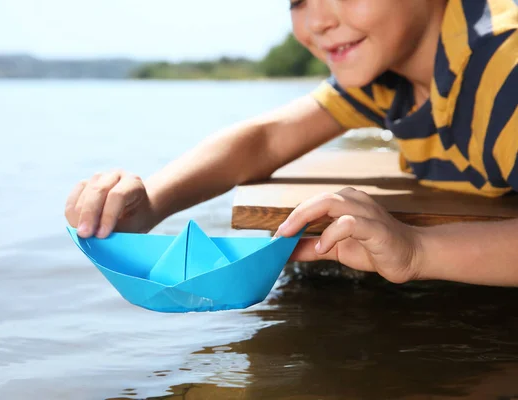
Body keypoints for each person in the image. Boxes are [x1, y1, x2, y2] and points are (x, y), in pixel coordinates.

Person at [65, 0, 518, 287]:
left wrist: (419, 251)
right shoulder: (390, 73)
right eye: (298, 0)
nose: (319, 20)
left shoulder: (504, 70)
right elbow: (266, 139)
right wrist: (152, 200)